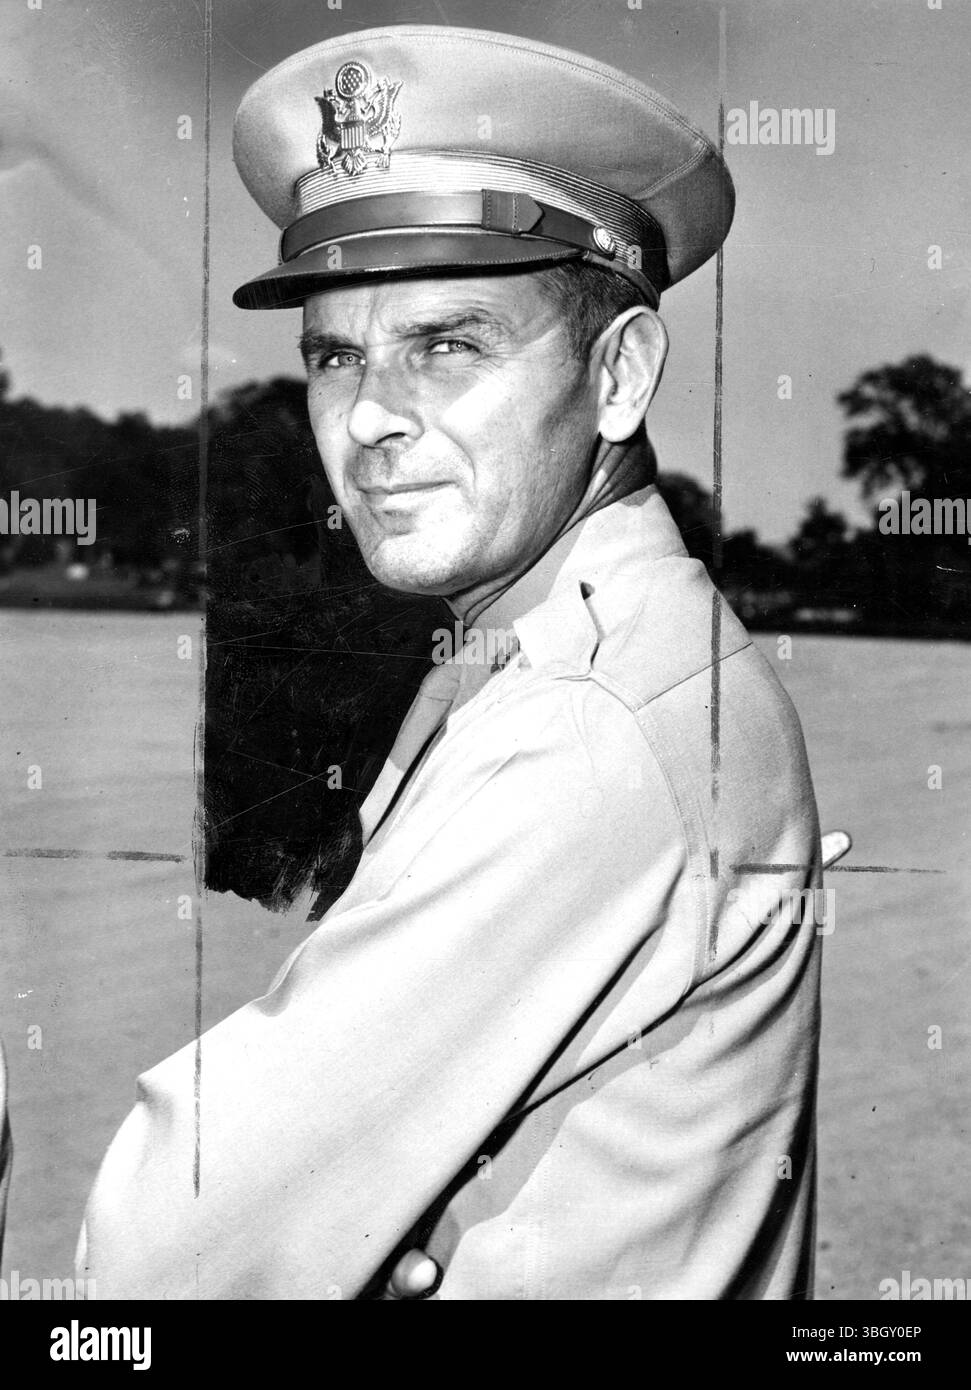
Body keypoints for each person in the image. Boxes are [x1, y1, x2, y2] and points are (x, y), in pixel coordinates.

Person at [77, 25, 823, 1300]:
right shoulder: (565, 641)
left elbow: (158, 1263)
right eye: (333, 355)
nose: (368, 419)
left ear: (620, 374)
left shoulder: (585, 713)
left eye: (447, 345)